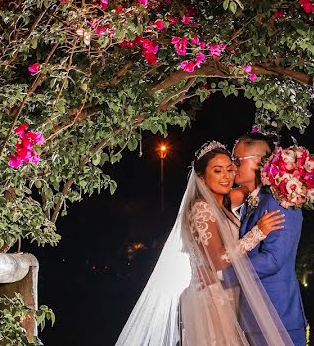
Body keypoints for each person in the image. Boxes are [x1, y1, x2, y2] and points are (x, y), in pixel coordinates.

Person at [115, 141, 293, 346]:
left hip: (226, 292)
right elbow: (218, 259)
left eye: (229, 169)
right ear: (201, 177)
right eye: (217, 171)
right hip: (210, 297)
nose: (226, 176)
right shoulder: (201, 209)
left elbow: (247, 189)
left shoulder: (224, 202)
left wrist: (283, 175)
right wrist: (258, 233)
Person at [224, 134, 307, 346]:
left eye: (237, 160)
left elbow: (273, 260)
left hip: (278, 315)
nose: (233, 167)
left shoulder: (281, 201)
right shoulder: (253, 201)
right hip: (252, 316)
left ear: (259, 160)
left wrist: (224, 273)